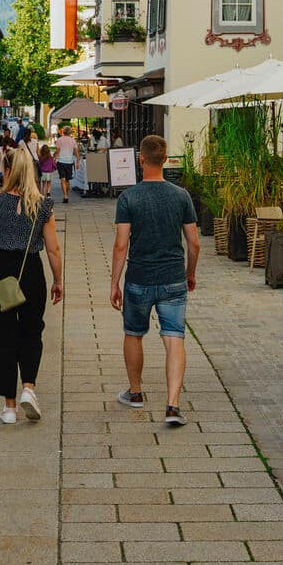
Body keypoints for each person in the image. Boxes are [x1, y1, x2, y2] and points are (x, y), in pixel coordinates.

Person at [111, 134, 201, 427]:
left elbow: (121, 244)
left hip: (138, 277)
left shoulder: (129, 197)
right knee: (174, 337)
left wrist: (115, 281)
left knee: (133, 333)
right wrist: (190, 273)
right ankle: (173, 405)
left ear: (141, 159)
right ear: (165, 160)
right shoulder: (181, 196)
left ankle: (135, 392)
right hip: (173, 277)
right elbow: (195, 243)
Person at [0, 150, 63, 424]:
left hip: (1, 272)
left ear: (7, 170)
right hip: (31, 270)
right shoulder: (42, 205)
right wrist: (58, 280)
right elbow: (54, 249)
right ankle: (29, 388)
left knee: (2, 337)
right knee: (32, 331)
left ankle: (9, 406)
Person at [53, 124, 79, 203]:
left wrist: (54, 158)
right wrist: (77, 162)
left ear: (63, 132)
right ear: (70, 132)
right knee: (67, 180)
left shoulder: (59, 140)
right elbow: (76, 152)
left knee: (62, 179)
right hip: (69, 162)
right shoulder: (73, 140)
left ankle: (65, 195)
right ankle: (66, 194)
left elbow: (57, 151)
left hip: (61, 161)